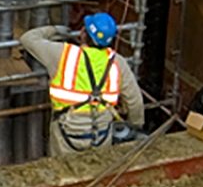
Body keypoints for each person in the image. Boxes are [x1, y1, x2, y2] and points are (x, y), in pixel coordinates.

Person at [20, 13, 147, 156]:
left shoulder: (63, 54)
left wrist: (54, 30)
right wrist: (135, 126)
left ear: (83, 33)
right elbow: (135, 101)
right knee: (99, 170)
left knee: (62, 172)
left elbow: (28, 38)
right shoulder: (118, 62)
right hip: (102, 134)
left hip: (67, 134)